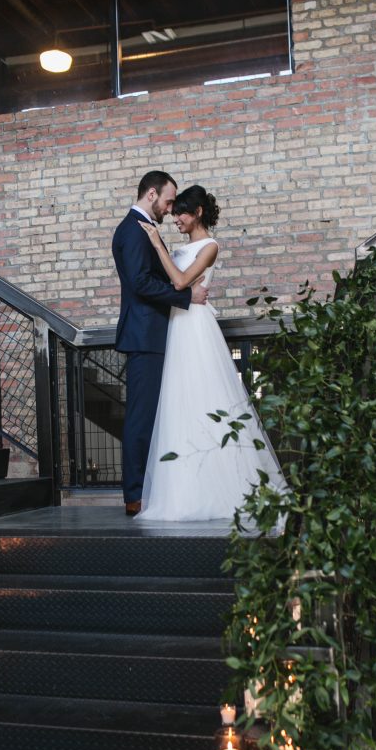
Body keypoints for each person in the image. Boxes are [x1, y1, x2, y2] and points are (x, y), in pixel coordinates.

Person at [135, 184, 286, 521]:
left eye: (181, 213)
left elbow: (179, 283)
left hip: (195, 327)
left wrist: (157, 244)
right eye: (174, 214)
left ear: (198, 212)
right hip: (177, 325)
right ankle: (184, 488)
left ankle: (226, 487)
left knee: (206, 399)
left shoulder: (210, 246)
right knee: (180, 404)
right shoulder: (180, 247)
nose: (176, 219)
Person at [112, 171, 209, 516]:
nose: (171, 210)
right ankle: (134, 497)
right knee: (141, 418)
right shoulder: (134, 230)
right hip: (145, 335)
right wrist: (187, 298)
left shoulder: (141, 229)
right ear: (151, 195)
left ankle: (149, 491)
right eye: (169, 201)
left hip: (154, 334)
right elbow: (140, 283)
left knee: (156, 416)